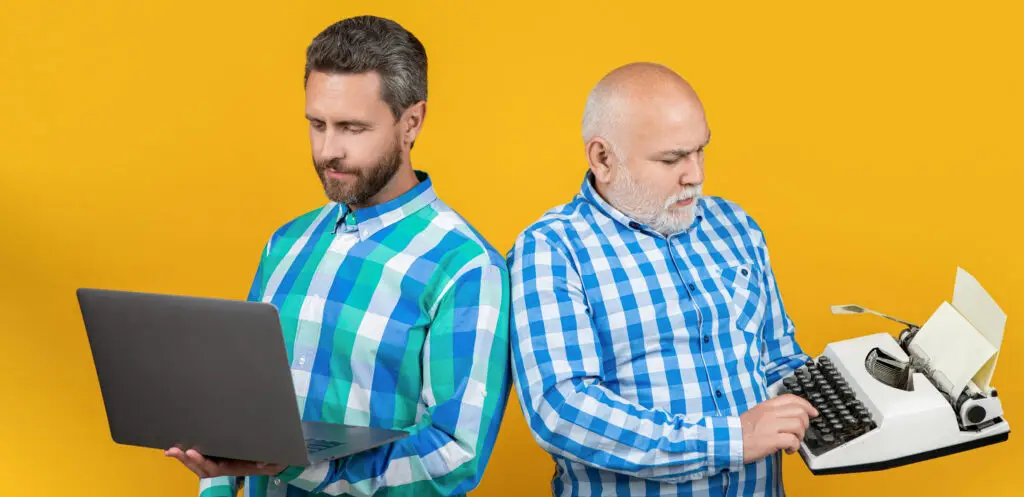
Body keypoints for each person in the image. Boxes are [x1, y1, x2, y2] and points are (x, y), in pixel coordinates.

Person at [165, 15, 512, 497]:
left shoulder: (466, 268)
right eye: (317, 124)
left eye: (352, 128)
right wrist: (217, 478)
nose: (328, 150)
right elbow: (241, 400)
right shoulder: (285, 244)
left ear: (411, 122)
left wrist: (301, 468)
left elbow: (454, 455)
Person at [506, 62, 818, 496]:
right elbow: (563, 411)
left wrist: (876, 387)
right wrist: (731, 440)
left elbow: (777, 360)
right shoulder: (552, 249)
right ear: (603, 158)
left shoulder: (735, 226)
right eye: (672, 159)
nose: (696, 175)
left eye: (700, 151)